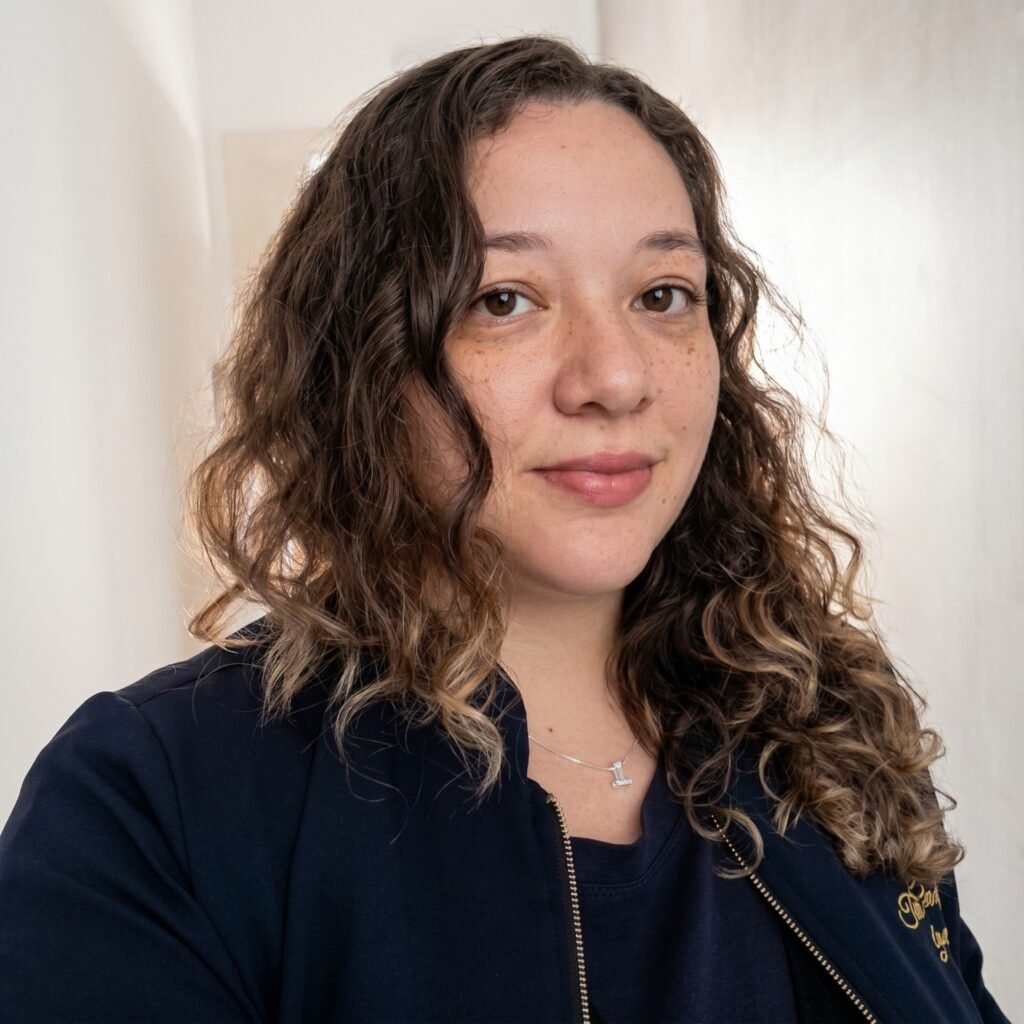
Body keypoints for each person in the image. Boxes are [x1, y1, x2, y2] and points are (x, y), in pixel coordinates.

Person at [0, 34, 1007, 1024]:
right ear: (363, 362)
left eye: (662, 295)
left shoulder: (823, 722)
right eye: (504, 299)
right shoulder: (155, 799)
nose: (615, 377)